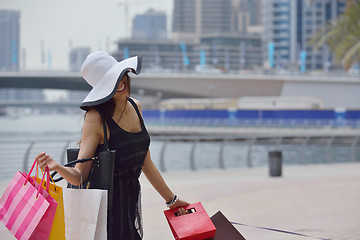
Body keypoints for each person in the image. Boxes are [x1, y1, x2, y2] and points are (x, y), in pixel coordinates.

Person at [35, 51, 189, 240]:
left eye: (120, 75)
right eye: (112, 80)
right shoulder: (96, 117)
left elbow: (145, 163)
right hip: (105, 209)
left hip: (129, 201)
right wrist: (56, 166)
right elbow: (80, 176)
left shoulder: (136, 106)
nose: (121, 82)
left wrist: (171, 200)